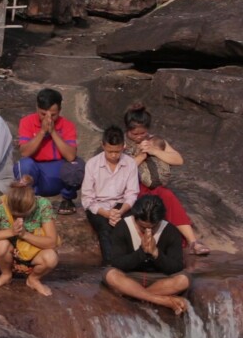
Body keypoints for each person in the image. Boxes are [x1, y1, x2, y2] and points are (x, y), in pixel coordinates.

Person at [123, 104, 210, 255]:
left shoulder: (155, 141)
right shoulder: (122, 143)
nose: (138, 137)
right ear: (127, 130)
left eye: (142, 133)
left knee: (166, 195)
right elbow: (122, 171)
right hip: (131, 186)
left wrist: (154, 151)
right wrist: (141, 156)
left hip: (153, 185)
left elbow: (178, 159)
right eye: (134, 134)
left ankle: (193, 241)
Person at [103, 195, 190, 315]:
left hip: (159, 280)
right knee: (110, 274)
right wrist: (141, 253)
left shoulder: (170, 231)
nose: (148, 231)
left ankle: (136, 297)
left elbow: (176, 267)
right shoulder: (123, 227)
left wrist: (156, 254)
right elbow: (117, 262)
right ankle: (160, 300)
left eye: (153, 227)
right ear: (135, 218)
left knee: (183, 280)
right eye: (143, 227)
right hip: (130, 278)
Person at [0, 175, 59, 296]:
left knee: (51, 258)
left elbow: (52, 242)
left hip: (32, 256)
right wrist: (11, 232)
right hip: (5, 258)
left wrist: (25, 235)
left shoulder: (43, 204)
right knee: (0, 245)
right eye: (15, 213)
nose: (20, 217)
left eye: (25, 213)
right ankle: (6, 275)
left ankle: (33, 279)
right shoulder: (1, 202)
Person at [15, 88, 85, 215]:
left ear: (59, 110)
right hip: (38, 174)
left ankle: (67, 199)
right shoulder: (26, 122)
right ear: (37, 108)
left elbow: (70, 156)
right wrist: (42, 132)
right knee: (23, 165)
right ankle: (31, 200)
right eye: (43, 114)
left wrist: (53, 132)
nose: (48, 119)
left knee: (76, 166)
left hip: (58, 172)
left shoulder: (67, 125)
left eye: (53, 115)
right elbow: (24, 153)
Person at [81, 125, 139, 266]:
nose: (114, 155)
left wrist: (120, 211)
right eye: (110, 151)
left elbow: (132, 194)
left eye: (117, 152)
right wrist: (107, 214)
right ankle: (109, 264)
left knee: (127, 225)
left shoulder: (130, 163)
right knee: (104, 228)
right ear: (103, 146)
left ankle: (133, 261)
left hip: (121, 205)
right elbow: (87, 198)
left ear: (123, 147)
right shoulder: (92, 164)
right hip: (99, 206)